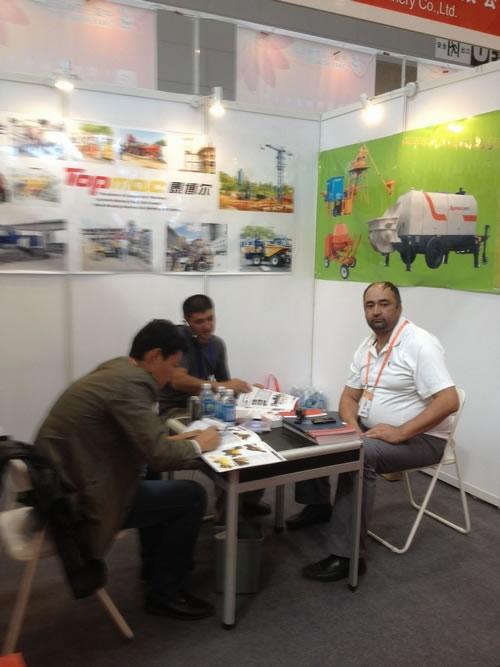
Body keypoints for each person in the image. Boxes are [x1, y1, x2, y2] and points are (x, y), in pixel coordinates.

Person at [34, 319, 220, 619]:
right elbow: (159, 455)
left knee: (154, 476)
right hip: (76, 503)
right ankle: (165, 593)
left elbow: (136, 438)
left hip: (62, 483)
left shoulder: (117, 370)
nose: (172, 374)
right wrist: (200, 446)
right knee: (192, 496)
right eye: (172, 365)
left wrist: (182, 440)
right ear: (155, 355)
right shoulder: (133, 384)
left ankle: (153, 567)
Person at [287, 282, 459, 582]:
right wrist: (351, 426)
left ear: (399, 307)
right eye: (370, 305)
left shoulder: (420, 344)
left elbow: (449, 401)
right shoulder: (368, 346)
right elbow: (349, 397)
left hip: (423, 439)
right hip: (371, 429)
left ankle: (347, 556)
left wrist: (401, 432)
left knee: (358, 455)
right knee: (315, 424)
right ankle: (318, 505)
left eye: (384, 303)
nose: (376, 311)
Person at [159, 294, 271, 517]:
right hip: (175, 412)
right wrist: (223, 386)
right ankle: (225, 517)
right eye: (199, 321)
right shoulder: (179, 339)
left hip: (207, 410)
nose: (207, 326)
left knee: (252, 436)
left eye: (210, 319)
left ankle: (247, 500)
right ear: (187, 321)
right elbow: (178, 380)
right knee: (224, 444)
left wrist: (248, 390)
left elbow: (225, 387)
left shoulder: (217, 345)